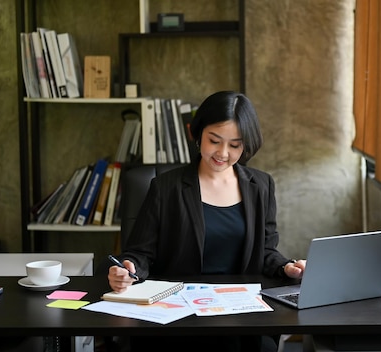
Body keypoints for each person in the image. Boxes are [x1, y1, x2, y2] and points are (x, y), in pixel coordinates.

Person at [107, 91, 306, 352]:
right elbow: (141, 252)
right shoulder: (167, 187)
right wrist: (128, 268)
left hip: (240, 315)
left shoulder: (261, 185)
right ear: (198, 133)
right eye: (214, 140)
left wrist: (287, 267)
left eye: (235, 145)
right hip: (178, 318)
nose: (222, 153)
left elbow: (267, 250)